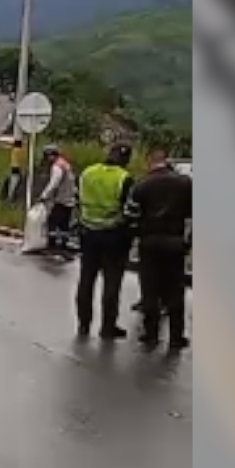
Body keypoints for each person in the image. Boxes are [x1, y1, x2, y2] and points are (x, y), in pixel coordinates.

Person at [126, 146, 192, 350]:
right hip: (175, 242)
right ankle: (176, 337)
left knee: (150, 289)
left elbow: (130, 214)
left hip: (150, 242)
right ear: (166, 161)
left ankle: (151, 334)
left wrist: (136, 235)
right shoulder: (185, 183)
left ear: (150, 162)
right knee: (175, 290)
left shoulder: (142, 184)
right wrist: (188, 241)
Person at [74, 143, 136, 339]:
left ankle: (83, 324)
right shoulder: (124, 178)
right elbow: (130, 211)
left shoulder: (87, 173)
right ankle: (107, 327)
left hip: (88, 233)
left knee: (86, 280)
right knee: (112, 282)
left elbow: (78, 199)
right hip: (113, 236)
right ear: (125, 160)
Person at [37, 144, 76, 258]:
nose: (46, 160)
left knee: (52, 223)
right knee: (64, 225)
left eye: (47, 157)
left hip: (61, 200)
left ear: (51, 156)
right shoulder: (65, 164)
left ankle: (52, 247)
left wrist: (44, 195)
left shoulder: (57, 166)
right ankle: (64, 247)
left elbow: (54, 183)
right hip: (69, 200)